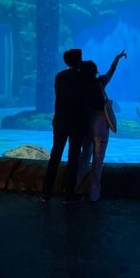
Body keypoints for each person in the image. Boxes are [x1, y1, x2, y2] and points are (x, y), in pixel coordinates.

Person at [41, 48, 90, 204]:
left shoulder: (60, 76)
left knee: (55, 157)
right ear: (78, 60)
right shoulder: (83, 77)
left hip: (60, 121)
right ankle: (69, 196)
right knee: (73, 158)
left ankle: (45, 194)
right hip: (77, 123)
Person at [77, 50, 127, 202]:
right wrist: (117, 58)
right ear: (95, 71)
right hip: (100, 123)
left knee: (84, 155)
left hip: (85, 122)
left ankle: (77, 188)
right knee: (98, 158)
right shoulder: (100, 82)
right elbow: (111, 71)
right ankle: (94, 193)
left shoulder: (78, 86)